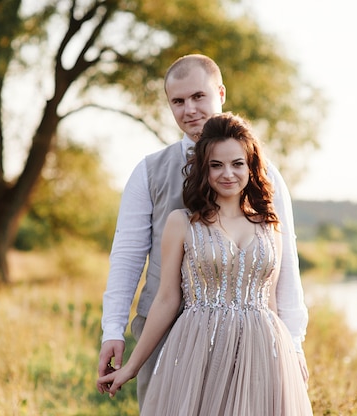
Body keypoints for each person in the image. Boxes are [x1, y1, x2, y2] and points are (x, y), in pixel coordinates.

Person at [98, 54, 309, 407]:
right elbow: (127, 256)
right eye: (177, 101)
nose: (189, 109)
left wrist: (295, 342)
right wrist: (112, 330)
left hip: (250, 343)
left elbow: (283, 270)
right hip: (163, 335)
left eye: (198, 96)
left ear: (220, 93)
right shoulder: (149, 172)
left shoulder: (264, 174)